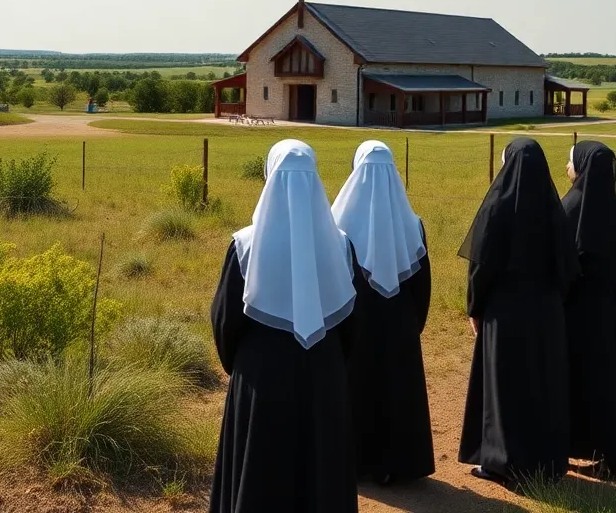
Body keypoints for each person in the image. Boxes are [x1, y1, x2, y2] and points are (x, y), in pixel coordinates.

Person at [209, 139, 360, 513]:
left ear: (268, 178)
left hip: (261, 374)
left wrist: (241, 366)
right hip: (323, 371)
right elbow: (351, 321)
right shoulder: (342, 245)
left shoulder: (244, 245)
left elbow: (225, 320)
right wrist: (331, 364)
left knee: (260, 471)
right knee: (319, 470)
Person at [457, 137, 580, 487]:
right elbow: (569, 268)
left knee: (504, 386)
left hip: (505, 312)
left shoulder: (496, 207)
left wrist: (475, 307)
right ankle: (546, 463)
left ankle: (500, 462)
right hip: (546, 313)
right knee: (543, 384)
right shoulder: (555, 209)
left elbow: (481, 266)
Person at [331, 140, 434, 485]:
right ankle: (400, 463)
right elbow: (422, 284)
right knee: (398, 389)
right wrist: (412, 324)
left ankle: (356, 462)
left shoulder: (336, 222)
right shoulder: (413, 223)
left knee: (357, 389)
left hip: (353, 323)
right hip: (400, 323)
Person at [562, 141, 616, 480]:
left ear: (582, 167)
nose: (566, 168)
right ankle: (612, 455)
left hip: (576, 306)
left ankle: (567, 444)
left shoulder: (569, 206)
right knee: (609, 379)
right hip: (610, 307)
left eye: (569, 162)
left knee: (573, 376)